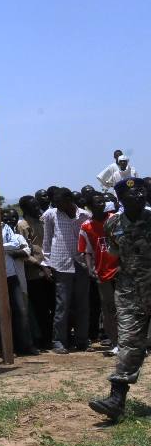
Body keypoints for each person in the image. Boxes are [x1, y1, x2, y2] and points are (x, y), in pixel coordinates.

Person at [89, 178, 151, 421]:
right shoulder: (113, 224)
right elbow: (114, 253)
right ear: (121, 199)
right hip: (129, 293)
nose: (139, 197)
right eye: (132, 194)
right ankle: (116, 400)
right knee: (128, 343)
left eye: (142, 192)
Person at [0, 207, 37, 356]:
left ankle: (25, 346)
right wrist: (4, 248)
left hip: (11, 275)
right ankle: (6, 348)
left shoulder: (5, 227)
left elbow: (15, 244)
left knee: (20, 310)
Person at [43, 187, 93, 353]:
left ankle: (82, 340)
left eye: (59, 202)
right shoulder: (51, 215)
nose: (56, 205)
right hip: (61, 264)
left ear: (69, 200)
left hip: (81, 263)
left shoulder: (85, 216)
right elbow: (47, 240)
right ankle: (59, 341)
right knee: (62, 304)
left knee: (82, 304)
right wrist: (46, 263)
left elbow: (89, 241)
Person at [79, 194, 120, 355]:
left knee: (126, 307)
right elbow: (86, 251)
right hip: (102, 273)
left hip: (122, 270)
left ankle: (132, 343)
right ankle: (115, 342)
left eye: (103, 201)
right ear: (90, 206)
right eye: (97, 202)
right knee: (109, 309)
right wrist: (90, 268)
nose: (102, 204)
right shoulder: (86, 226)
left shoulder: (115, 219)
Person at [17, 196, 53, 349]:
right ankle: (43, 338)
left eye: (38, 205)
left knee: (51, 305)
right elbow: (24, 252)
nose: (37, 208)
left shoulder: (42, 222)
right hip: (34, 272)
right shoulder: (22, 225)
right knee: (40, 308)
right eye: (34, 206)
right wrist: (41, 266)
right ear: (25, 209)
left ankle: (51, 336)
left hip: (49, 267)